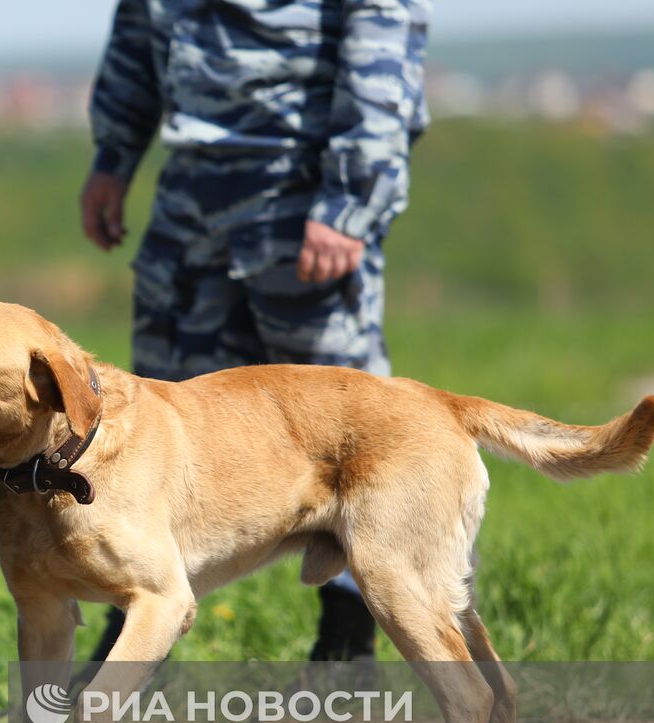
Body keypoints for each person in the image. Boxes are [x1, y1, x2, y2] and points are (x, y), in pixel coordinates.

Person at [80, 0, 431, 663]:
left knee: (342, 427)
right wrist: (114, 153)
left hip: (300, 186)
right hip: (191, 192)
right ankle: (132, 629)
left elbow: (383, 27)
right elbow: (140, 22)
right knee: (160, 424)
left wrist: (352, 195)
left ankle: (349, 640)